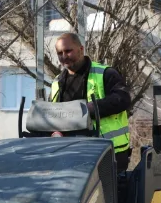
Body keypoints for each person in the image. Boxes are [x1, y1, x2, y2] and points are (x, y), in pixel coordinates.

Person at [50, 32, 132, 171]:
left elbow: (122, 99)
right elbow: (54, 115)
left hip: (108, 151)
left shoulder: (105, 73)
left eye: (68, 51)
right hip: (71, 153)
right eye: (60, 53)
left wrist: (88, 109)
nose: (64, 56)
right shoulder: (57, 82)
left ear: (81, 49)